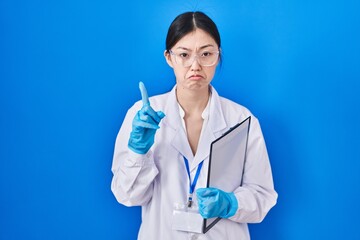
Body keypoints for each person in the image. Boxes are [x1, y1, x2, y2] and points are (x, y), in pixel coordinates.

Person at [111, 11, 277, 240]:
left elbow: (263, 196)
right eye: (184, 54)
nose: (195, 65)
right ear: (169, 57)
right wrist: (138, 153)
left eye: (206, 54)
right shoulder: (142, 116)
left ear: (218, 56)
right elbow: (127, 196)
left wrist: (231, 203)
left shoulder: (241, 120)